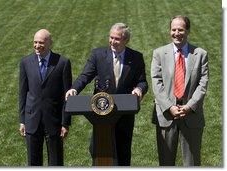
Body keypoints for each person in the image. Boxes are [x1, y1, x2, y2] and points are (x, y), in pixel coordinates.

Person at [65, 23, 148, 166]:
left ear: (126, 40)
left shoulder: (135, 57)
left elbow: (142, 82)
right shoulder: (98, 55)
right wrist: (74, 89)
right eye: (111, 37)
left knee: (123, 152)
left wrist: (139, 89)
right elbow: (85, 76)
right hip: (101, 114)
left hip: (124, 114)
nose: (113, 41)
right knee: (98, 150)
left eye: (117, 39)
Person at [151, 15, 209, 166]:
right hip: (166, 115)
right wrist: (169, 106)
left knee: (192, 163)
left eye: (181, 29)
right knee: (165, 162)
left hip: (191, 114)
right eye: (173, 29)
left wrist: (190, 106)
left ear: (188, 31)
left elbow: (203, 83)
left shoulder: (200, 54)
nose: (176, 33)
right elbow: (157, 82)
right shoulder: (159, 53)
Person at [19, 29, 72, 166]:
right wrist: (22, 120)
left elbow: (67, 96)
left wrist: (65, 122)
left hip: (54, 121)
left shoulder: (62, 63)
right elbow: (23, 93)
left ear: (50, 43)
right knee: (33, 163)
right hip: (32, 120)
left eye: (41, 43)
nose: (37, 46)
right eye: (35, 42)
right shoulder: (25, 62)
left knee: (56, 163)